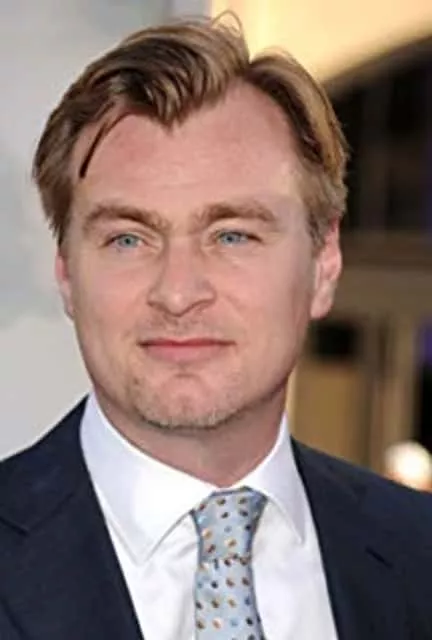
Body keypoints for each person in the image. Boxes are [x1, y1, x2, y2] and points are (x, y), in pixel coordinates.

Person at [1, 14, 431, 640]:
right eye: (128, 239)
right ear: (66, 272)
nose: (178, 293)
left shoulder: (418, 555)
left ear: (324, 264)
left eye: (232, 236)